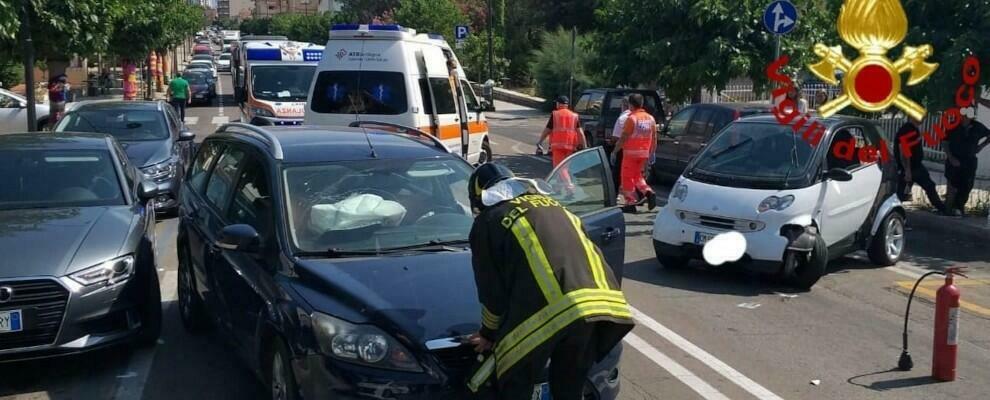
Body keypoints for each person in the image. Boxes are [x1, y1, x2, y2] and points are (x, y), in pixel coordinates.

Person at [464, 163, 634, 400]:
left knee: (513, 380)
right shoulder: (556, 206)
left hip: (551, 314)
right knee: (569, 388)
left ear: (480, 199)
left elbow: (492, 292)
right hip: (601, 306)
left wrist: (488, 334)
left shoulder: (488, 221)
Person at [611, 93, 657, 211]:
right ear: (642, 104)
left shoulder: (632, 119)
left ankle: (630, 202)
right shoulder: (650, 118)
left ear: (630, 105)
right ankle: (648, 191)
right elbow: (655, 138)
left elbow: (624, 137)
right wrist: (652, 153)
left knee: (626, 177)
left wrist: (615, 151)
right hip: (644, 153)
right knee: (638, 176)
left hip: (630, 154)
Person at [895, 116, 948, 214]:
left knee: (928, 186)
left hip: (916, 166)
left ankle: (941, 208)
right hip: (910, 167)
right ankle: (895, 215)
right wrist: (907, 170)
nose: (923, 118)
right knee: (901, 193)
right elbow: (903, 150)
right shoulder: (908, 130)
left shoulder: (913, 129)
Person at [944, 108, 990, 215]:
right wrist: (950, 157)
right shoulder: (953, 125)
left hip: (969, 160)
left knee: (966, 185)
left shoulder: (978, 127)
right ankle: (947, 209)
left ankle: (958, 208)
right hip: (954, 159)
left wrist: (981, 146)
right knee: (952, 184)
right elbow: (945, 142)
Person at [536, 95, 587, 166]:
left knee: (559, 169)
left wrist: (540, 141)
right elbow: (580, 133)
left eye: (556, 103)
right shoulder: (574, 116)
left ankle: (566, 178)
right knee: (565, 168)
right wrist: (585, 147)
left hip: (558, 147)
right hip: (570, 147)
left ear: (559, 104)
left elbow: (548, 130)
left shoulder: (555, 114)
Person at [605, 97, 631, 194]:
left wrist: (612, 148)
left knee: (617, 173)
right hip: (637, 149)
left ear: (623, 106)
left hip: (622, 149)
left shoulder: (622, 118)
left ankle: (614, 194)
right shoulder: (638, 117)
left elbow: (616, 137)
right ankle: (641, 194)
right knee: (634, 174)